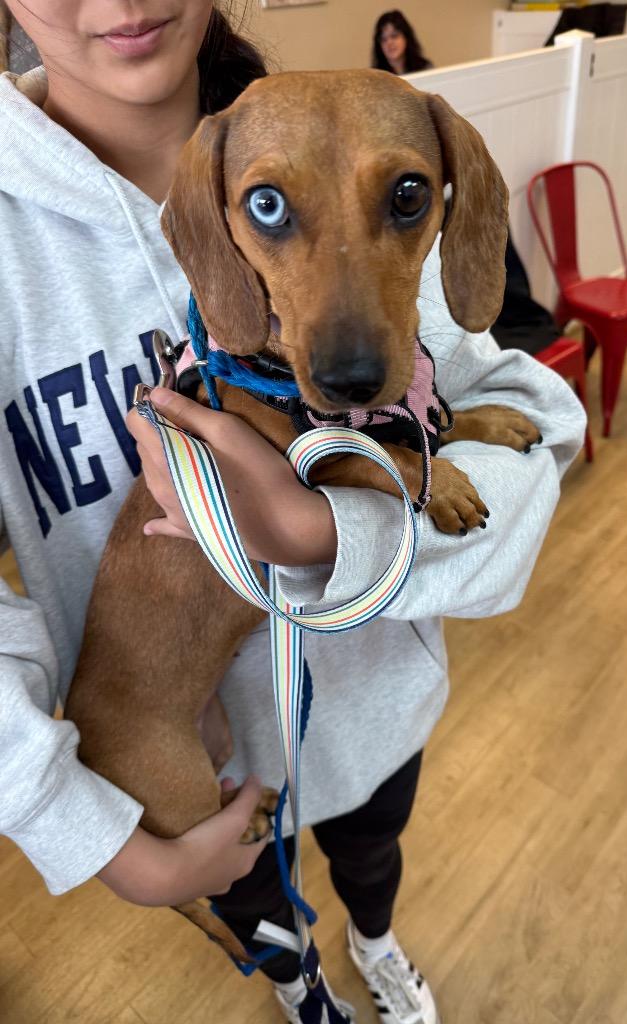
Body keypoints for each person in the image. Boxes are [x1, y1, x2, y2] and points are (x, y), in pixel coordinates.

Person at [0, 2, 585, 1022]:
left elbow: (547, 420)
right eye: (269, 208)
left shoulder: (355, 123)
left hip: (373, 723)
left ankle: (375, 940)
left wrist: (324, 533)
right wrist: (89, 838)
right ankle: (300, 984)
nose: (120, 1)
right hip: (168, 733)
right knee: (261, 914)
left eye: (405, 201)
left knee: (372, 860)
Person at [372, 10, 433, 76]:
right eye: (383, 39)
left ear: (406, 37)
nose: (389, 43)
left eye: (394, 36)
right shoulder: (374, 76)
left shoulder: (425, 69)